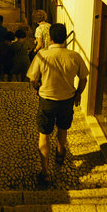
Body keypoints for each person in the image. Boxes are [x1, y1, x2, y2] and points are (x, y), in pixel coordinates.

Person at [27, 23, 89, 186]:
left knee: (44, 134)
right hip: (66, 101)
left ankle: (45, 172)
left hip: (47, 100)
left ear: (51, 38)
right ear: (65, 38)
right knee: (63, 129)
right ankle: (60, 154)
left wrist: (37, 88)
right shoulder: (74, 56)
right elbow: (83, 78)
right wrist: (78, 94)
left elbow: (33, 80)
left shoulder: (42, 55)